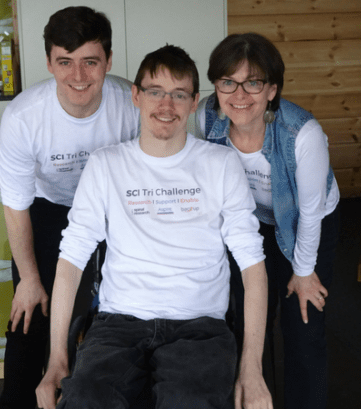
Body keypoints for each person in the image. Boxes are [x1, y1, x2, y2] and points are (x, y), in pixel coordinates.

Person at [36, 44, 273, 409]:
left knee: (189, 402)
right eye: (155, 92)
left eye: (179, 95)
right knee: (86, 400)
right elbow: (71, 260)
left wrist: (252, 370)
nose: (166, 106)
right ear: (136, 96)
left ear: (194, 102)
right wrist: (56, 361)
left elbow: (252, 265)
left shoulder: (221, 164)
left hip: (200, 327)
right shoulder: (106, 165)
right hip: (118, 325)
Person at [0, 6, 139, 409]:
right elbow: (16, 206)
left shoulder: (130, 104)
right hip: (49, 210)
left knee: (117, 315)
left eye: (90, 62)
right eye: (66, 62)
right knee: (30, 316)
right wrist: (28, 279)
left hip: (115, 212)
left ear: (108, 61)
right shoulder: (23, 117)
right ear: (49, 63)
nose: (78, 77)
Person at [195, 33, 340, 409]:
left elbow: (309, 213)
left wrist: (304, 272)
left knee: (302, 325)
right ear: (216, 84)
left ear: (272, 89)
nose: (239, 95)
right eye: (228, 82)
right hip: (249, 222)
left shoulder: (302, 134)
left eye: (253, 83)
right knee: (245, 317)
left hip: (307, 224)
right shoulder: (205, 116)